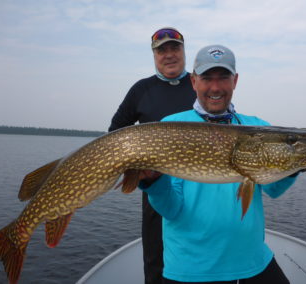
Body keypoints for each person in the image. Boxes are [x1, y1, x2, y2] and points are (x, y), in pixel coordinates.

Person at [140, 45, 297, 283]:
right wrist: (153, 183)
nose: (215, 87)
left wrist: (296, 163)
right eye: (206, 78)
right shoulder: (172, 126)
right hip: (191, 269)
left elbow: (273, 189)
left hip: (254, 263)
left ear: (235, 81)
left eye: (223, 77)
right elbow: (171, 209)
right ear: (194, 81)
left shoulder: (257, 127)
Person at [108, 27, 196, 284]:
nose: (169, 55)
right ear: (154, 55)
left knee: (200, 251)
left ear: (183, 51)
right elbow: (116, 133)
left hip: (202, 184)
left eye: (174, 48)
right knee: (156, 261)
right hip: (158, 187)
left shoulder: (199, 84)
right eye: (162, 50)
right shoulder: (141, 89)